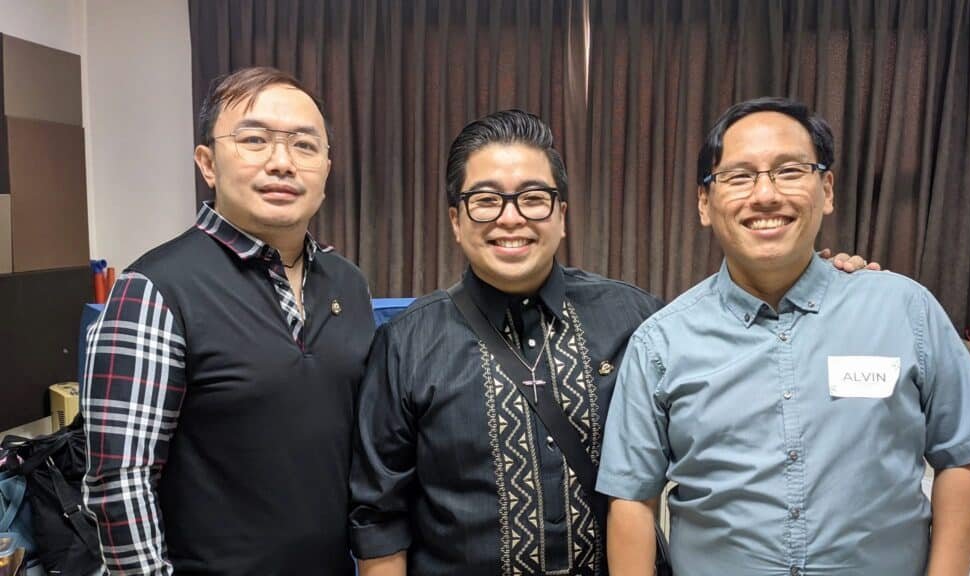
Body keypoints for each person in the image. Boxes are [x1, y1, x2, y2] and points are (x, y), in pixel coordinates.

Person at [348, 109, 871, 576]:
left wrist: (817, 282)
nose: (512, 217)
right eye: (486, 201)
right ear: (457, 221)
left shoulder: (636, 317)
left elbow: (745, 362)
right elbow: (379, 517)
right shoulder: (406, 342)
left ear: (561, 215)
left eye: (534, 198)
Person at [596, 97, 970, 576]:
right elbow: (632, 500)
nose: (766, 195)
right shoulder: (661, 343)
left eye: (789, 170)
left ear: (827, 189)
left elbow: (961, 455)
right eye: (739, 176)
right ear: (704, 204)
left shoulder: (905, 310)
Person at [80, 67, 374, 575]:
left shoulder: (348, 284)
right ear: (208, 163)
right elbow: (119, 483)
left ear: (327, 168)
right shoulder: (154, 289)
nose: (282, 163)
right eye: (254, 140)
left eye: (305, 146)